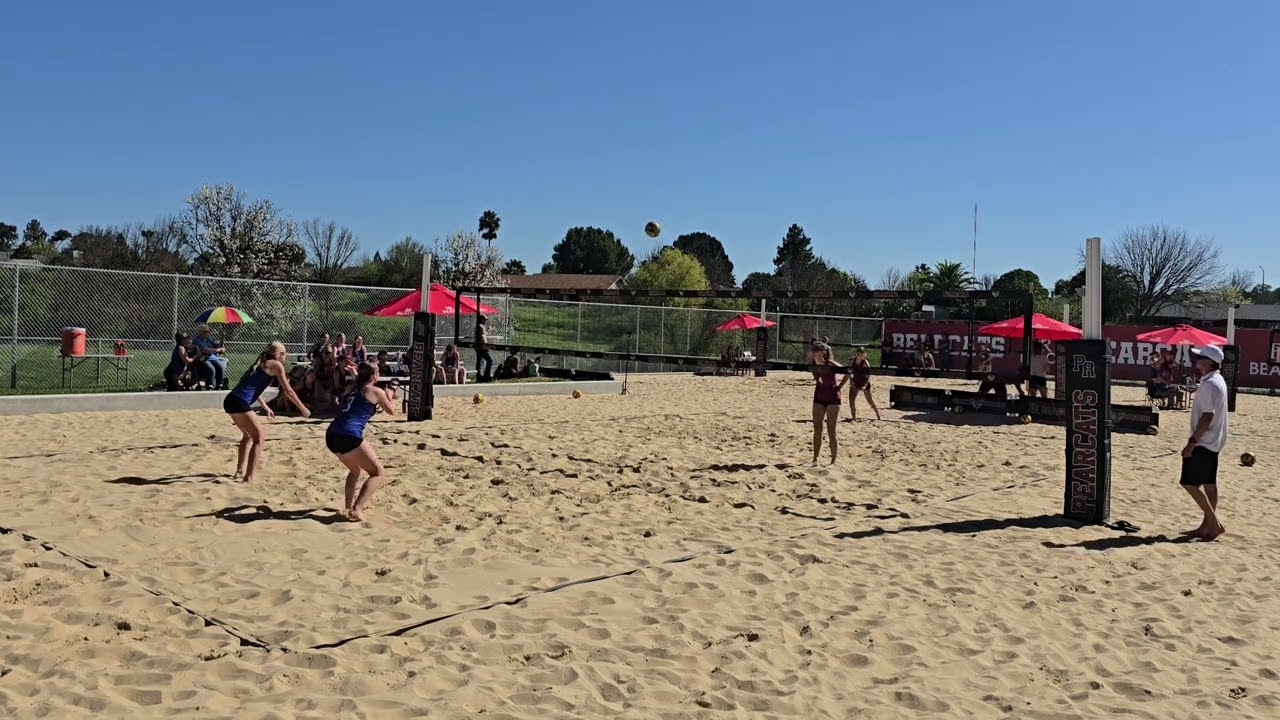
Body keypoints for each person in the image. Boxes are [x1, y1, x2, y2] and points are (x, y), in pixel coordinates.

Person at [223, 341, 310, 482]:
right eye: (284, 353)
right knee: (259, 438)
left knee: (247, 436)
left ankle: (239, 471)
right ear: (279, 354)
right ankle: (249, 478)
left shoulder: (260, 363)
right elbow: (288, 391)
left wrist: (266, 407)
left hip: (231, 400)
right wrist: (303, 408)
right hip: (240, 402)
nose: (286, 356)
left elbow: (253, 389)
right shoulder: (275, 365)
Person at [326, 361, 399, 522]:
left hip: (332, 433)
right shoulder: (374, 391)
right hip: (349, 433)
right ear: (374, 375)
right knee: (377, 473)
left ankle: (347, 506)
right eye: (378, 372)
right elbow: (392, 411)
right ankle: (357, 509)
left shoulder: (352, 387)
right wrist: (389, 394)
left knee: (355, 470)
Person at [1181, 345, 1229, 541]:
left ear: (1209, 362)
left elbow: (1207, 416)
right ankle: (1206, 527)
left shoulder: (1210, 384)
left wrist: (1192, 442)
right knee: (1209, 483)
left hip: (1204, 441)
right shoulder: (1217, 380)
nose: (1196, 360)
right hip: (1213, 441)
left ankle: (1213, 522)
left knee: (1188, 483)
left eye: (1200, 357)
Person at [810, 341, 848, 465]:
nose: (814, 353)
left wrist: (838, 387)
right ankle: (815, 458)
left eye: (816, 350)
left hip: (833, 398)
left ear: (823, 352)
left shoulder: (830, 363)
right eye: (813, 351)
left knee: (831, 429)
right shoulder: (813, 365)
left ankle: (833, 461)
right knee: (817, 429)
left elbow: (847, 372)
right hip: (819, 396)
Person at [847, 347, 880, 421]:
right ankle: (854, 418)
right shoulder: (853, 361)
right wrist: (851, 380)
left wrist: (865, 385)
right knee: (851, 400)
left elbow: (868, 375)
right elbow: (849, 372)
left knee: (870, 401)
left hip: (864, 382)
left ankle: (878, 415)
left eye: (861, 353)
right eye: (858, 353)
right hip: (855, 382)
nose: (859, 355)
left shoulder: (865, 362)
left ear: (864, 354)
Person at [193, 325, 229, 390]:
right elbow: (205, 350)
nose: (206, 333)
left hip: (212, 358)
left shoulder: (208, 339)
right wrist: (218, 350)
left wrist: (222, 338)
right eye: (204, 332)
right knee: (211, 369)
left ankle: (219, 384)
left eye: (207, 332)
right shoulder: (196, 340)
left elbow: (217, 346)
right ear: (200, 332)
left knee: (220, 367)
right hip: (203, 359)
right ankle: (210, 385)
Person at [475, 315, 493, 382]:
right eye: (484, 320)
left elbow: (483, 334)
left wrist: (488, 331)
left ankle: (479, 377)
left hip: (478, 347)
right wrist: (486, 345)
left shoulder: (478, 326)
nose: (485, 321)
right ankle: (486, 375)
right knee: (490, 361)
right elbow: (483, 336)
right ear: (482, 319)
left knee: (480, 362)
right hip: (482, 347)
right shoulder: (481, 326)